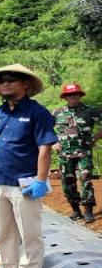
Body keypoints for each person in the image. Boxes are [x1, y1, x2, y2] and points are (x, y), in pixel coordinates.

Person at [0, 64, 56, 268]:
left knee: (29, 234)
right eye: (2, 80)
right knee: (5, 234)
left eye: (12, 79)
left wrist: (42, 180)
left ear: (26, 85)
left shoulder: (37, 112)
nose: (6, 83)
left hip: (26, 184)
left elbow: (45, 148)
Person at [52, 82, 102, 223]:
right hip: (65, 153)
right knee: (67, 182)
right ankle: (75, 209)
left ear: (79, 95)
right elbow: (44, 128)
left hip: (84, 152)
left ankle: (88, 210)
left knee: (85, 179)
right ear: (65, 97)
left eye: (75, 94)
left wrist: (95, 137)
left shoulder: (90, 111)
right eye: (69, 95)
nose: (72, 97)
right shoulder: (57, 112)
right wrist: (53, 142)